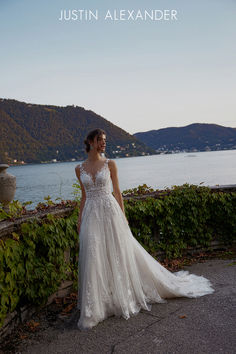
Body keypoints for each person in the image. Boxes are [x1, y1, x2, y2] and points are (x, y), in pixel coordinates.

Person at [75, 128, 215, 331]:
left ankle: (121, 295)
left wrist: (123, 217)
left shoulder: (110, 164)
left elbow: (117, 192)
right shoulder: (79, 169)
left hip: (110, 212)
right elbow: (84, 196)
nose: (103, 143)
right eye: (100, 140)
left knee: (118, 253)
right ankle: (95, 307)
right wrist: (80, 220)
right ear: (90, 142)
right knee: (94, 256)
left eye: (105, 140)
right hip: (91, 215)